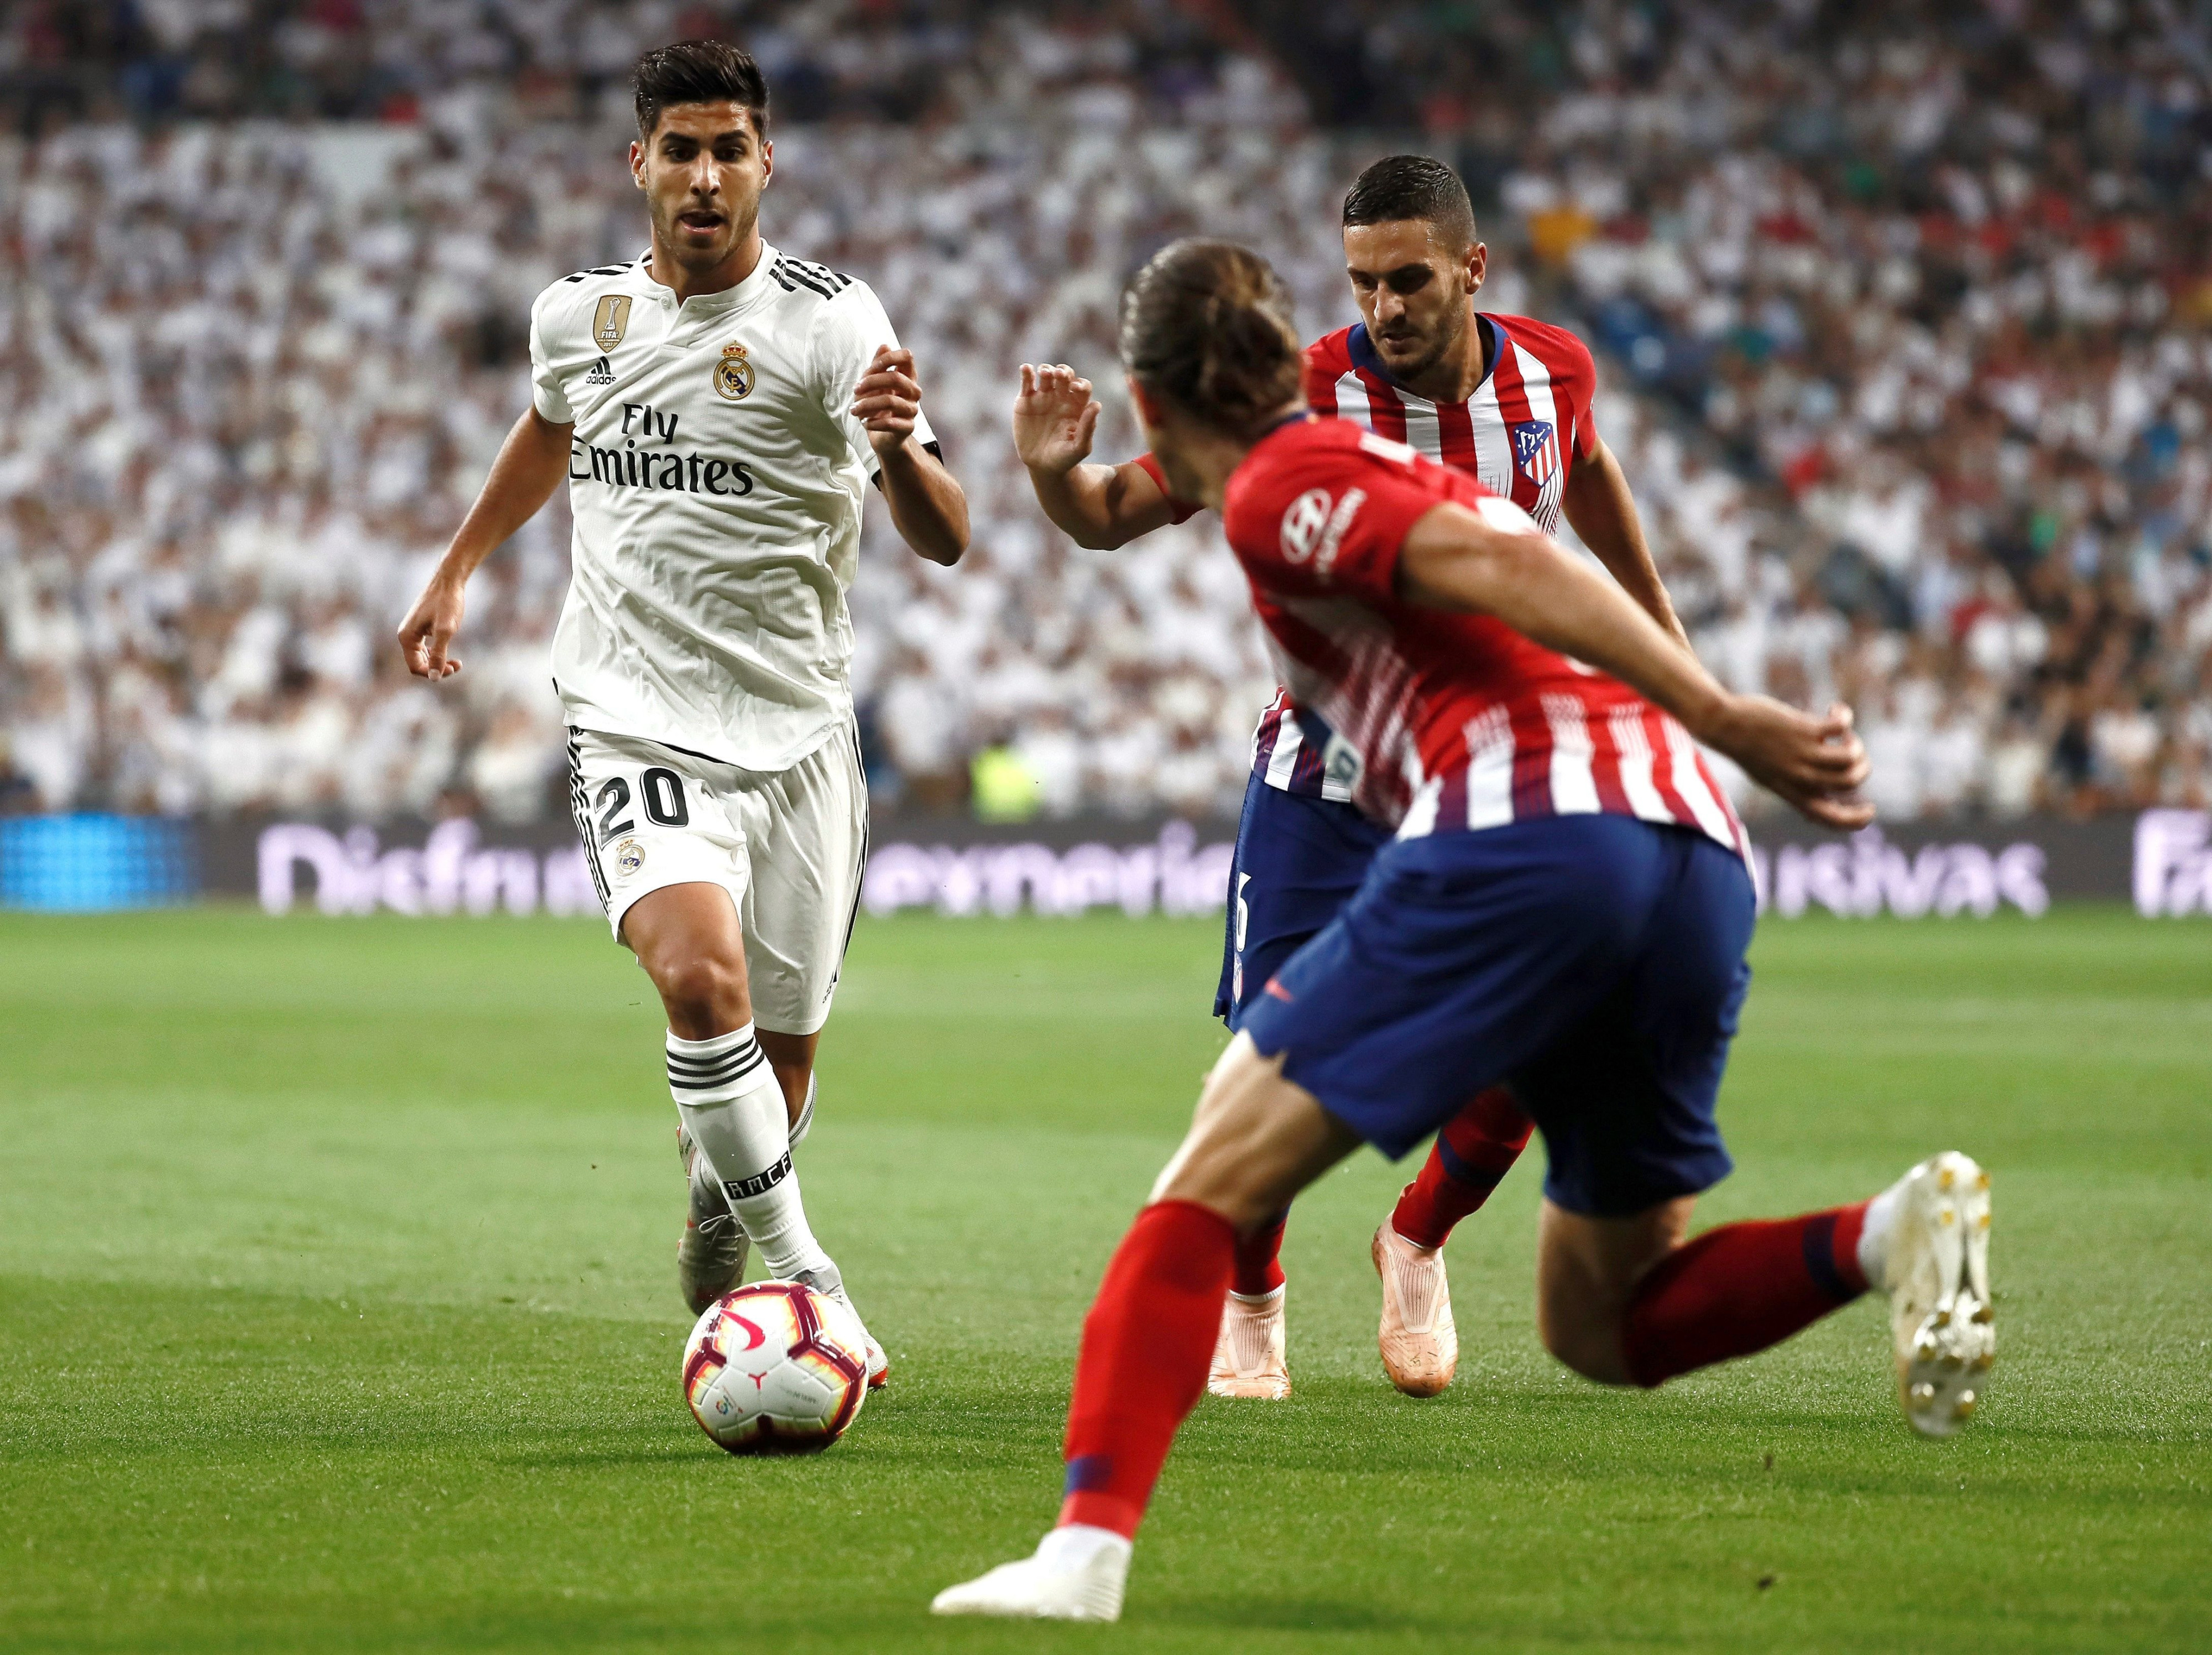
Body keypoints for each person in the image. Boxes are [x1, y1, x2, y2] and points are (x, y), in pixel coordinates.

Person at [935, 240, 1994, 1622]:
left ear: (1147, 406)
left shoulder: (1281, 482)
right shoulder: (1321, 458)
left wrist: (1723, 708)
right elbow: (1487, 538)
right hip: (1689, 848)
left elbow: (1496, 559)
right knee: (1601, 1321)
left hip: (1535, 824)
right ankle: (1892, 1235)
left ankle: (1080, 1558)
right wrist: (1700, 738)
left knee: (1204, 1179)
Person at [1012, 155, 1688, 1402]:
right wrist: (1056, 473)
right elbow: (1111, 514)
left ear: (1471, 269)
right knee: (1270, 1057)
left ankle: (1415, 1237)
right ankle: (1252, 1300)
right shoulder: (1296, 389)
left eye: (1410, 279)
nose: (1383, 306)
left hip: (1493, 777)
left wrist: (1660, 642)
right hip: (1322, 775)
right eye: (1363, 282)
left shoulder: (1553, 373)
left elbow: (1582, 473)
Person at [396, 40, 969, 1381]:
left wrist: (894, 443)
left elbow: (943, 535)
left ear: (765, 162)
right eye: (680, 149)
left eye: (729, 149)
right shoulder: (577, 316)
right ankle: (810, 1279)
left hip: (801, 736)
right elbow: (549, 427)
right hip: (633, 716)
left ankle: (726, 1191)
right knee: (697, 982)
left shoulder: (833, 321)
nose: (703, 176)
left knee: (783, 1051)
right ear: (638, 163)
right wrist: (456, 567)